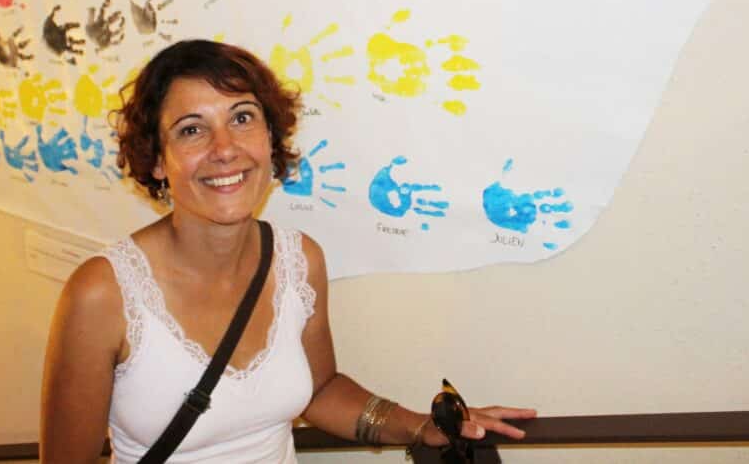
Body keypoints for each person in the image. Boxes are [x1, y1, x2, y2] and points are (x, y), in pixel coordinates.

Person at [40, 39, 535, 463]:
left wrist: (418, 427)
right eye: (191, 129)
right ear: (156, 161)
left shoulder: (300, 261)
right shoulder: (102, 293)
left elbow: (319, 392)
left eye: (242, 118)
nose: (225, 148)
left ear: (270, 137)